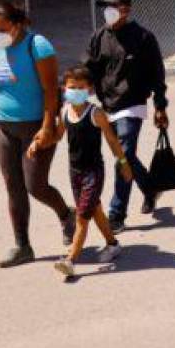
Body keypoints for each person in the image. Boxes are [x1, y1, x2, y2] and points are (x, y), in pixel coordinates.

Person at [0, 3, 72, 268]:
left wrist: (48, 127)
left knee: (35, 185)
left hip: (36, 126)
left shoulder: (37, 46)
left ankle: (65, 214)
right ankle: (22, 246)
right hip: (4, 127)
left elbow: (51, 91)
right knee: (13, 186)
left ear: (17, 24)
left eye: (1, 29)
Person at [85, 0, 169, 231]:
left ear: (126, 10)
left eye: (112, 7)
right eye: (105, 7)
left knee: (122, 155)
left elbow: (157, 75)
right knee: (126, 155)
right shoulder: (99, 36)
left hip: (133, 105)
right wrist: (73, 90)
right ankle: (150, 188)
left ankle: (116, 214)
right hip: (107, 105)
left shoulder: (143, 37)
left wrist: (160, 106)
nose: (107, 11)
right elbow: (88, 67)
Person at [52, 66, 130, 279]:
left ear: (89, 90)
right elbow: (58, 136)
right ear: (64, 89)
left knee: (82, 217)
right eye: (71, 87)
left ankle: (70, 260)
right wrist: (37, 143)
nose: (75, 91)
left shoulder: (96, 114)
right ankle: (113, 244)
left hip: (93, 172)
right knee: (94, 210)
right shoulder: (64, 112)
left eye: (80, 87)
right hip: (74, 171)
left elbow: (112, 140)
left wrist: (123, 163)